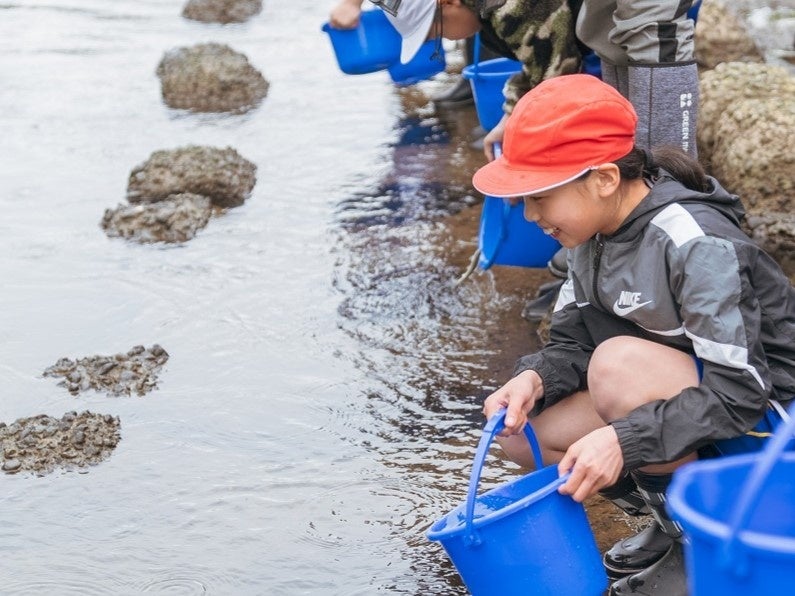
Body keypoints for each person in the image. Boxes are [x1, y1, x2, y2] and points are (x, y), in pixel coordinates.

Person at [472, 74, 795, 595]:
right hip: (686, 400)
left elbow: (741, 390)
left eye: (539, 197)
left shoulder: (693, 243)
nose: (530, 215)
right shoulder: (590, 237)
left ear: (602, 179)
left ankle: (701, 547)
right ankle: (672, 523)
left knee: (617, 366)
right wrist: (532, 379)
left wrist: (622, 440)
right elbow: (573, 343)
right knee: (527, 433)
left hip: (769, 420)